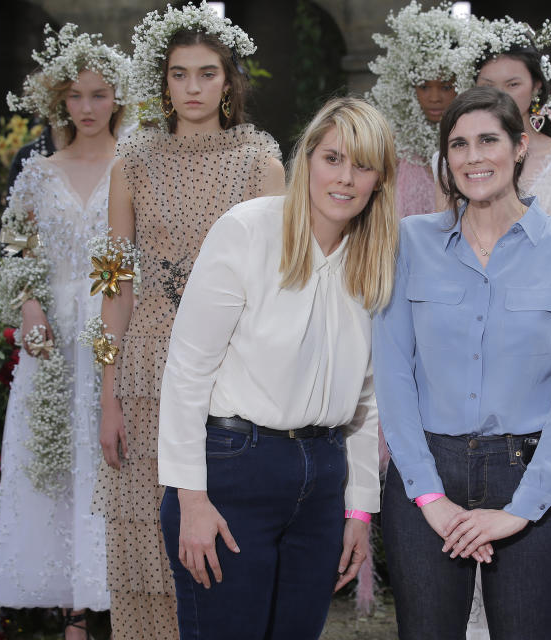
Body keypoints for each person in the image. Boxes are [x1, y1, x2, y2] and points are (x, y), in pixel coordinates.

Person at [157, 96, 393, 640]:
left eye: (362, 165)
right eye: (332, 158)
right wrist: (190, 499)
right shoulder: (247, 231)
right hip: (234, 470)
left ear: (379, 179)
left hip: (323, 476)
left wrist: (359, 510)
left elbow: (369, 398)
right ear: (306, 158)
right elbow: (188, 370)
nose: (344, 178)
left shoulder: (375, 256)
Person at [373, 86, 551, 640]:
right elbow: (392, 378)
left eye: (487, 140)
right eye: (458, 145)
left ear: (519, 146)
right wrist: (429, 498)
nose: (473, 157)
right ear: (445, 159)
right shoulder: (408, 243)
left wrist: (520, 510)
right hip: (425, 474)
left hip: (529, 474)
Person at [89, 4, 285, 639]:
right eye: (180, 74)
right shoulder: (133, 162)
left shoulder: (260, 159)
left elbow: (276, 287)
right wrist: (108, 393)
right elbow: (113, 283)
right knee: (147, 529)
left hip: (228, 368)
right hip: (145, 363)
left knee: (220, 528)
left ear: (229, 80)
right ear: (163, 81)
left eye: (207, 73)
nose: (193, 88)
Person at [438, 18, 551, 639]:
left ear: (537, 88)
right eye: (487, 83)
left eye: (514, 82)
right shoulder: (460, 160)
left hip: (550, 349)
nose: (504, 91)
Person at [0, 24, 130, 640]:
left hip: (115, 326)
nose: (88, 108)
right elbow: (16, 254)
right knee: (53, 468)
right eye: (77, 96)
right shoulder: (37, 173)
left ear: (117, 99)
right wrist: (28, 308)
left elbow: (131, 260)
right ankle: (73, 611)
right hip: (51, 346)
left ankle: (117, 599)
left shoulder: (135, 167)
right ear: (60, 103)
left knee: (112, 462)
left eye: (100, 95)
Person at [368, 2, 477, 217]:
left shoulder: (476, 140)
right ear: (407, 87)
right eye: (423, 86)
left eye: (446, 86)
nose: (434, 98)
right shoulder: (394, 143)